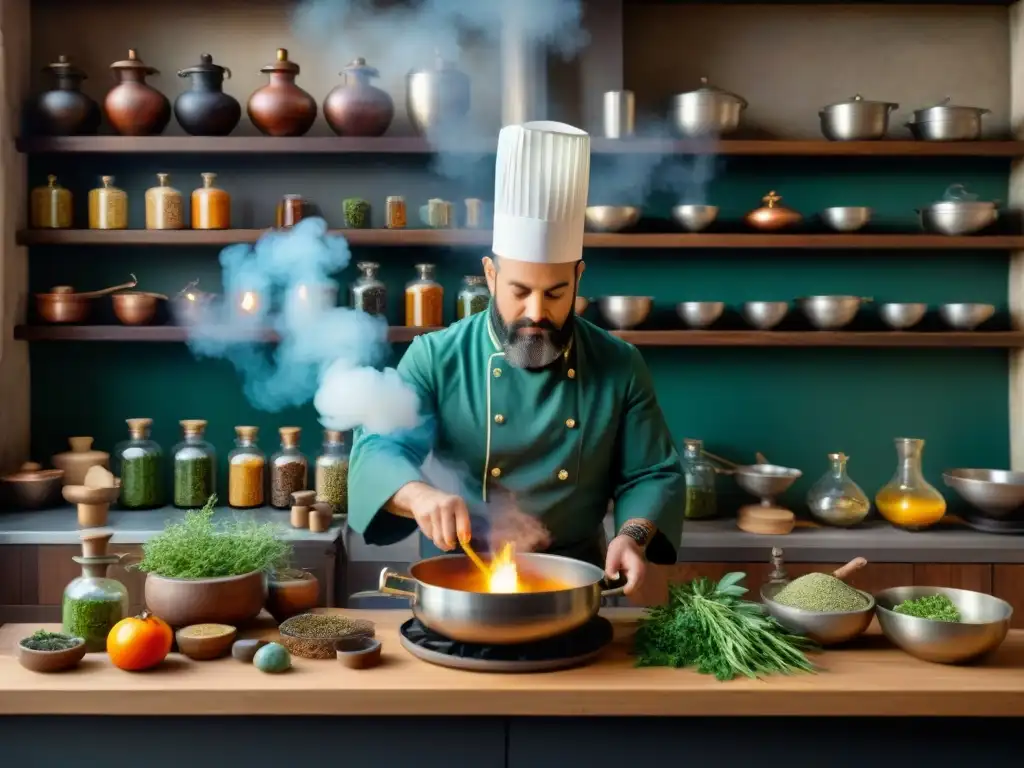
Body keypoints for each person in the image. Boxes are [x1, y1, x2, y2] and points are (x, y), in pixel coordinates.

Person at [348, 120, 685, 595]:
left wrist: (633, 536)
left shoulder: (619, 364)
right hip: (457, 577)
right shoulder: (435, 356)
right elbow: (377, 448)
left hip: (576, 581)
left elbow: (652, 472)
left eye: (556, 293)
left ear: (579, 277)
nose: (536, 313)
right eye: (519, 291)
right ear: (489, 274)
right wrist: (417, 495)